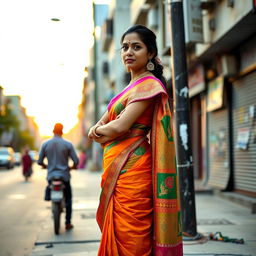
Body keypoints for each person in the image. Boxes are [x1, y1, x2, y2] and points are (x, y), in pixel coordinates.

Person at [88, 25, 183, 256]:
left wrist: (101, 131)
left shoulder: (149, 86)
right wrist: (99, 129)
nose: (128, 52)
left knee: (132, 233)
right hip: (117, 167)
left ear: (150, 53)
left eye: (136, 47)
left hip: (134, 168)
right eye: (125, 47)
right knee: (119, 229)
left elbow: (119, 126)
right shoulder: (127, 89)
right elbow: (100, 125)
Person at [38, 123, 79, 230]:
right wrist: (72, 167)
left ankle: (48, 196)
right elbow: (76, 161)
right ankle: (68, 223)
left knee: (49, 186)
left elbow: (39, 161)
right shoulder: (68, 144)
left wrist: (45, 166)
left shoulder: (45, 144)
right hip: (64, 176)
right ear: (62, 132)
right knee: (68, 198)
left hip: (51, 175)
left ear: (53, 131)